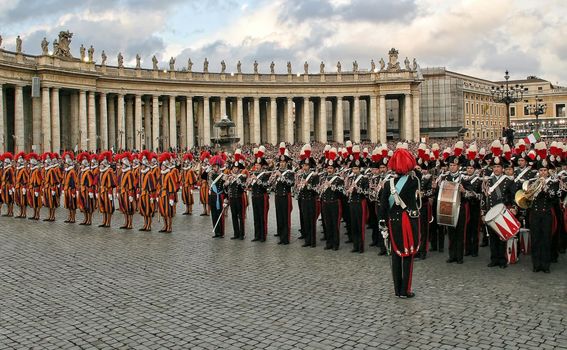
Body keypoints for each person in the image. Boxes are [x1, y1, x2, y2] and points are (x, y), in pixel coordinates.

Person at [379, 147, 420, 298]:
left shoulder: (387, 183)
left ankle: (397, 290)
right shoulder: (413, 181)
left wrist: (382, 224)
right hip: (408, 222)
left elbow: (382, 206)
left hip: (393, 222)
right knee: (408, 255)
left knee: (396, 254)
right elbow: (418, 173)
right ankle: (405, 290)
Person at [482, 143, 515, 269]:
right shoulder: (487, 181)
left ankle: (502, 259)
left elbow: (512, 196)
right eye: (494, 167)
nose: (496, 169)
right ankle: (494, 258)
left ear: (502, 168)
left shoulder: (508, 180)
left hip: (502, 213)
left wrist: (511, 207)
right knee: (492, 238)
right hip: (490, 212)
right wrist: (483, 212)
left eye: (498, 167)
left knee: (502, 237)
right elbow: (484, 198)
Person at [528, 156, 559, 273]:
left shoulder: (553, 182)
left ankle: (546, 265)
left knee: (546, 239)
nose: (543, 172)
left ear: (548, 171)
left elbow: (554, 196)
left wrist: (545, 187)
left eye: (545, 170)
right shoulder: (532, 181)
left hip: (547, 214)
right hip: (535, 214)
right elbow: (528, 197)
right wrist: (536, 187)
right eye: (541, 170)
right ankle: (536, 264)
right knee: (535, 239)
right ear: (538, 171)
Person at [319, 148, 344, 251]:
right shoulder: (323, 178)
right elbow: (320, 190)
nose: (329, 170)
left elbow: (341, 191)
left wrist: (332, 186)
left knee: (335, 224)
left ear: (334, 169)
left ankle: (336, 244)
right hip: (325, 203)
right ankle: (329, 243)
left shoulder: (338, 179)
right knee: (327, 224)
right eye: (328, 168)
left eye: (331, 168)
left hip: (334, 203)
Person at [297, 147, 319, 248]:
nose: (304, 167)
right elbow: (300, 188)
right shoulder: (301, 175)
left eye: (306, 165)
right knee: (305, 220)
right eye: (303, 165)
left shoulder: (314, 176)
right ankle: (307, 240)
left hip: (311, 200)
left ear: (310, 166)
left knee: (311, 221)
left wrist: (307, 184)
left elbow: (316, 189)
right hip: (304, 200)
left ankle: (313, 241)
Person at [272, 149, 294, 245]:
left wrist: (281, 176)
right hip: (278, 196)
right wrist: (272, 179)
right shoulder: (276, 172)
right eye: (280, 162)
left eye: (283, 162)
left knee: (286, 217)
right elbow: (272, 185)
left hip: (286, 196)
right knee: (279, 217)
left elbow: (290, 183)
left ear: (286, 163)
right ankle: (281, 236)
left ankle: (286, 238)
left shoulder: (289, 172)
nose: (281, 164)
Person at [250, 155, 270, 242]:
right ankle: (257, 235)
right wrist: (250, 181)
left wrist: (257, 180)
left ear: (261, 166)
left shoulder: (265, 174)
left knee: (262, 217)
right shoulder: (253, 174)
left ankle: (263, 236)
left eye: (258, 165)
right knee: (256, 217)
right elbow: (249, 186)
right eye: (256, 165)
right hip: (254, 197)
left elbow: (266, 186)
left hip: (262, 197)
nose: (256, 166)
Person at [226, 159, 247, 240]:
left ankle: (242, 234)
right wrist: (226, 182)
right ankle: (236, 233)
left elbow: (244, 187)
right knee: (234, 216)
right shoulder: (230, 177)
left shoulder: (242, 177)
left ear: (239, 169)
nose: (235, 169)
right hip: (232, 198)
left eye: (236, 168)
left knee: (241, 217)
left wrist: (237, 179)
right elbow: (227, 188)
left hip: (239, 198)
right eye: (234, 168)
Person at [208, 155, 225, 238]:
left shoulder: (222, 175)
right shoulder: (210, 175)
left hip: (219, 197)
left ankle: (221, 232)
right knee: (214, 214)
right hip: (213, 197)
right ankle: (216, 231)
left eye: (215, 166)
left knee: (220, 215)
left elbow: (225, 188)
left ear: (219, 167)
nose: (214, 168)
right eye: (213, 166)